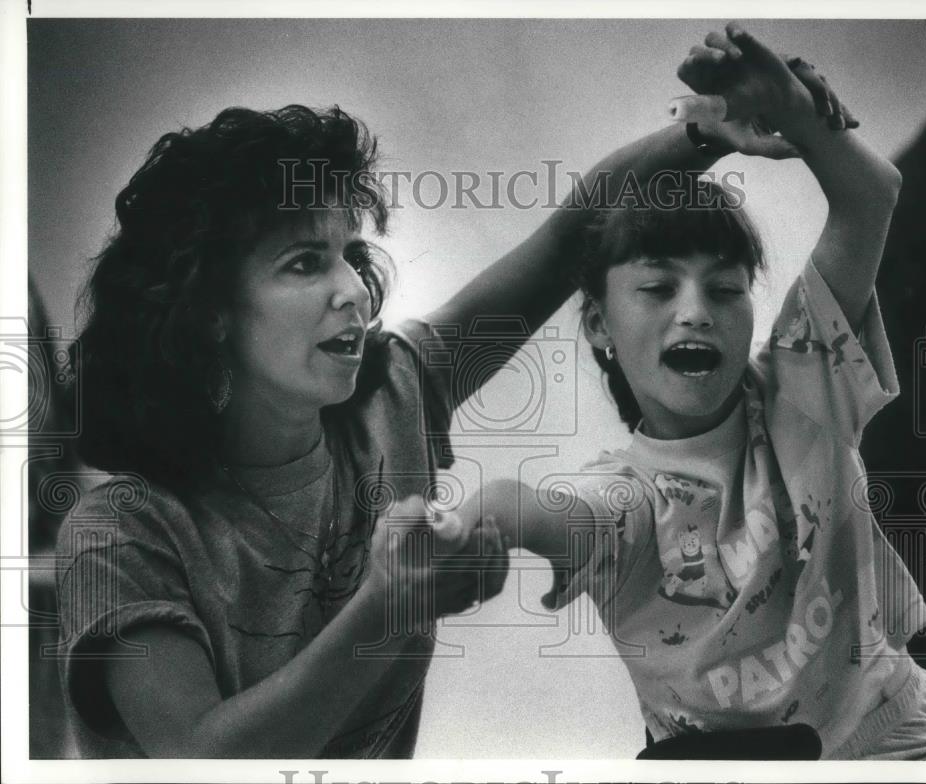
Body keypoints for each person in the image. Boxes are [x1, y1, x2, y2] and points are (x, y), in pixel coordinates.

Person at [53, 42, 850, 758]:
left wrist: (707, 130)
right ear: (208, 313)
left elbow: (576, 234)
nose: (350, 291)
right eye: (303, 264)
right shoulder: (119, 532)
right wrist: (385, 606)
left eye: (348, 255)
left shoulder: (392, 394)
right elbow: (205, 762)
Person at [459, 24, 926, 760]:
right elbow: (548, 513)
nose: (695, 309)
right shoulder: (626, 498)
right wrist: (482, 515)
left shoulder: (802, 387)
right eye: (656, 286)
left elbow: (873, 193)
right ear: (598, 325)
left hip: (904, 734)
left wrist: (796, 111)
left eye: (724, 287)